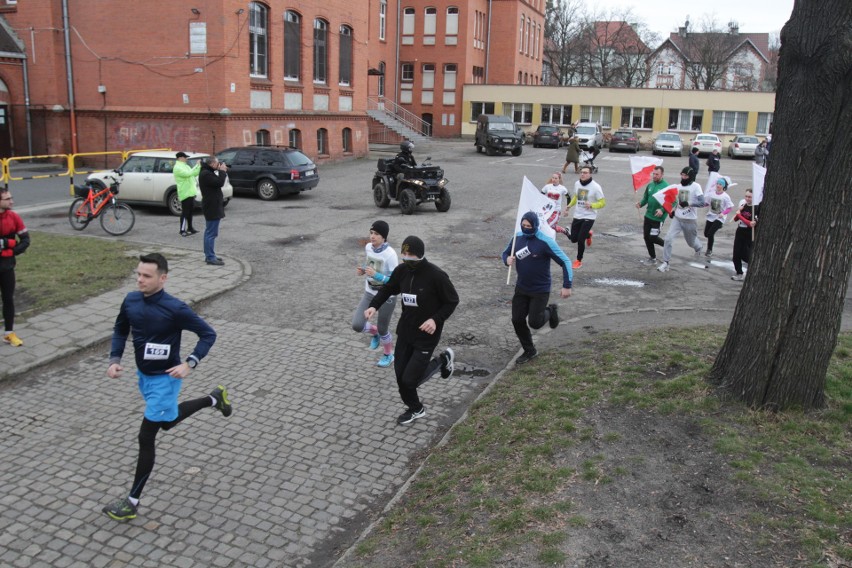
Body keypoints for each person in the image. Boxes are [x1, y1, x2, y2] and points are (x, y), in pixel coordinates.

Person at [102, 253, 231, 521]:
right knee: (168, 422)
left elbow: (208, 334)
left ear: (163, 278)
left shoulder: (176, 308)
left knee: (146, 437)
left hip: (166, 380)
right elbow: (119, 330)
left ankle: (132, 502)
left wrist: (190, 363)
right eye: (138, 274)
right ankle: (214, 398)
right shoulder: (131, 300)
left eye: (147, 276)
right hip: (144, 377)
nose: (140, 280)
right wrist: (115, 359)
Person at [365, 236, 458, 426]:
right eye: (404, 254)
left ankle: (442, 361)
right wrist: (374, 306)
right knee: (400, 376)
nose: (407, 258)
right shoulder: (402, 271)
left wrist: (435, 319)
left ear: (421, 255)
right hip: (406, 331)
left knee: (409, 379)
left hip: (426, 335)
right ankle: (416, 408)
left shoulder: (436, 276)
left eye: (411, 254)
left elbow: (452, 301)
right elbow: (388, 289)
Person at [501, 212, 573, 365]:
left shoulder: (545, 242)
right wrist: (506, 260)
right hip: (521, 288)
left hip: (540, 290)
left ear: (535, 226)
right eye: (523, 225)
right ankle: (529, 350)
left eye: (529, 226)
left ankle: (551, 310)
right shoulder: (517, 237)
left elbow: (565, 261)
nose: (526, 228)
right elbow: (506, 253)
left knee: (535, 322)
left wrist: (567, 285)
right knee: (517, 320)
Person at [352, 220, 398, 368]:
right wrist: (363, 270)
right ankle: (375, 333)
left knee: (384, 328)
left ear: (384, 237)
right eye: (371, 233)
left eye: (376, 234)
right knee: (357, 325)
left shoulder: (390, 255)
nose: (372, 236)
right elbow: (370, 265)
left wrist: (377, 276)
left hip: (387, 297)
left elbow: (395, 282)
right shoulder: (368, 248)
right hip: (369, 292)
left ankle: (388, 354)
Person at [657, 167, 706, 272]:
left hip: (690, 220)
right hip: (678, 219)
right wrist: (672, 211)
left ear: (691, 177)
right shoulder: (678, 187)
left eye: (686, 176)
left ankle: (699, 247)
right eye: (682, 175)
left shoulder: (696, 186)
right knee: (668, 239)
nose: (683, 177)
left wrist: (689, 203)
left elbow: (702, 202)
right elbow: (674, 201)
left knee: (691, 242)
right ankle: (666, 262)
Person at [0, 188, 30, 347]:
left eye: (11, 198)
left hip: (7, 266)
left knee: (8, 299)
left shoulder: (13, 216)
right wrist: (9, 243)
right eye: (7, 199)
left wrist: (9, 248)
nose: (11, 201)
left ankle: (9, 333)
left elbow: (25, 241)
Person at [566, 165, 606, 269]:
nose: (583, 174)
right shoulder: (577, 183)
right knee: (573, 239)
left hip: (589, 216)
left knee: (580, 240)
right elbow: (576, 196)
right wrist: (569, 206)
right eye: (581, 172)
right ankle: (588, 234)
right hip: (578, 214)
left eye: (585, 173)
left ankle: (578, 260)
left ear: (590, 174)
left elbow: (602, 203)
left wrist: (592, 205)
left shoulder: (596, 187)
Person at [199, 156, 229, 266]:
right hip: (211, 206)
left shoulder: (207, 172)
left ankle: (210, 255)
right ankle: (210, 257)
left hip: (213, 205)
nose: (218, 165)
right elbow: (219, 182)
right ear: (211, 164)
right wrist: (222, 171)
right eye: (217, 164)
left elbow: (217, 182)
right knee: (210, 233)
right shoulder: (205, 174)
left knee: (211, 232)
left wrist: (220, 170)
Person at [635, 166, 668, 265]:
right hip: (648, 216)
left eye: (657, 174)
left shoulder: (666, 187)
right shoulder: (650, 185)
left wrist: (662, 210)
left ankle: (667, 245)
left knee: (653, 237)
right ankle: (652, 258)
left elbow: (672, 202)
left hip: (658, 218)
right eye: (653, 174)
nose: (654, 176)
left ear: (662, 175)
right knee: (646, 237)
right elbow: (646, 198)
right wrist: (640, 204)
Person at [731, 189, 759, 281]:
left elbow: (751, 224)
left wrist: (739, 216)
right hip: (740, 230)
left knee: (746, 254)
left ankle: (753, 269)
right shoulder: (743, 203)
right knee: (736, 254)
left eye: (750, 197)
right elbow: (735, 219)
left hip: (749, 232)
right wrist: (739, 211)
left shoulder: (756, 207)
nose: (747, 198)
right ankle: (739, 273)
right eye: (746, 196)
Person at [703, 177, 734, 258]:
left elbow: (729, 207)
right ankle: (718, 226)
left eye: (720, 184)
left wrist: (723, 213)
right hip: (711, 215)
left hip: (719, 217)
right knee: (706, 234)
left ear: (723, 186)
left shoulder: (725, 196)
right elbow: (707, 203)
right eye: (717, 184)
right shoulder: (711, 194)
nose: (718, 185)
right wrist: (701, 204)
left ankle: (709, 250)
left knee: (710, 234)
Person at [173, 152, 201, 237]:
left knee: (190, 211)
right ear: (180, 158)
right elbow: (188, 174)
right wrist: (197, 165)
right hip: (185, 192)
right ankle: (182, 230)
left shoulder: (186, 166)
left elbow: (194, 174)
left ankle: (190, 228)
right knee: (185, 212)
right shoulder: (177, 167)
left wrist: (199, 166)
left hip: (191, 192)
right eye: (185, 157)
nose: (186, 159)